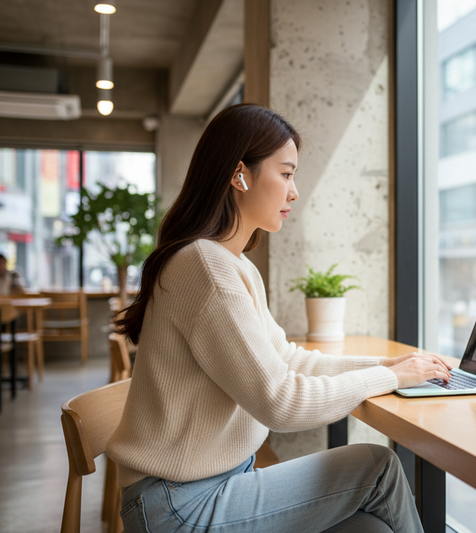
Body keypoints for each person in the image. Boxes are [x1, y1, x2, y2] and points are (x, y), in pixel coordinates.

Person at [107, 103, 452, 533]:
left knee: (372, 529)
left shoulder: (233, 265)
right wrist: (392, 380)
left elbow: (289, 361)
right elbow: (281, 402)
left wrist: (390, 366)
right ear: (240, 175)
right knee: (378, 468)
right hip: (179, 506)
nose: (294, 191)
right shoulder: (205, 267)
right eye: (286, 173)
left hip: (207, 487)